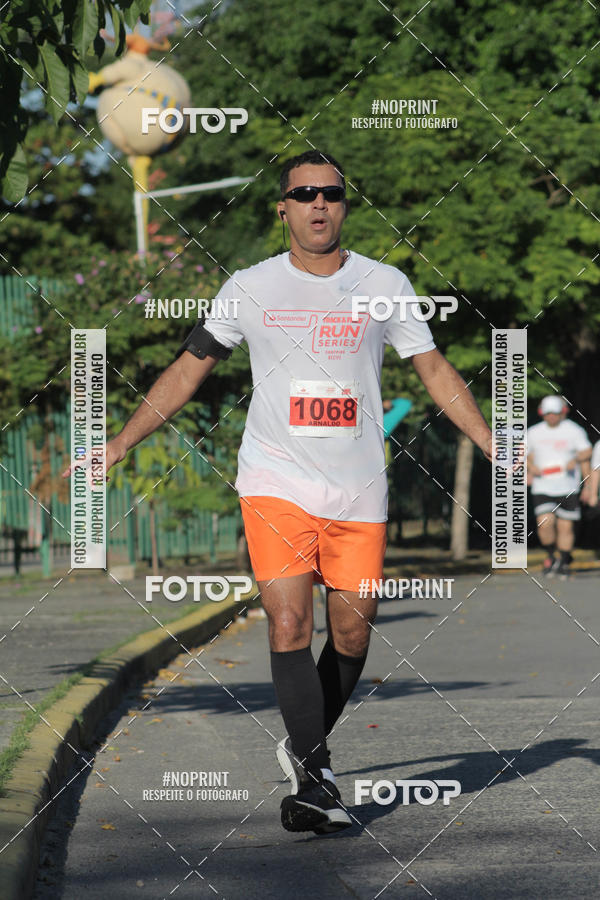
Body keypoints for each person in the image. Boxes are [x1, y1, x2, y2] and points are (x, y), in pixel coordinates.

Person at [66, 150, 493, 834]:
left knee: (353, 630)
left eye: (332, 194)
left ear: (345, 205)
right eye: (305, 194)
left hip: (356, 486)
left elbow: (435, 368)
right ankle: (316, 772)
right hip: (273, 480)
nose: (319, 204)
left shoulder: (385, 282)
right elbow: (186, 370)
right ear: (284, 208)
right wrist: (121, 442)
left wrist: (491, 438)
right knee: (290, 623)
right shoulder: (249, 286)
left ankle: (305, 750)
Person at [527, 395, 592, 578]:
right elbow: (525, 454)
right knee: (545, 523)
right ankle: (550, 555)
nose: (552, 417)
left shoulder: (574, 430)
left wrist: (576, 461)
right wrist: (531, 468)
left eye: (555, 413)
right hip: (543, 486)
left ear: (562, 413)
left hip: (568, 486)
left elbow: (586, 451)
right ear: (542, 414)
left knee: (565, 527)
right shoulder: (533, 432)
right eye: (548, 414)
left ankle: (563, 561)